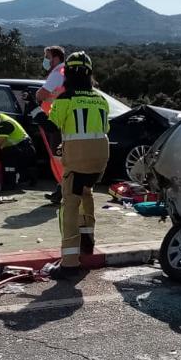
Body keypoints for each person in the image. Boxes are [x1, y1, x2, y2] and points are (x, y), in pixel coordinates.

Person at [47, 51, 111, 276]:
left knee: (70, 204)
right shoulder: (101, 99)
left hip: (77, 160)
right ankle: (88, 242)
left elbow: (53, 127)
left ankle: (70, 261)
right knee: (87, 193)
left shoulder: (65, 99)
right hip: (101, 160)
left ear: (68, 74)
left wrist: (56, 151)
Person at [34, 45, 66, 204]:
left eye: (47, 57)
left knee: (58, 157)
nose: (45, 60)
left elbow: (41, 94)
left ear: (56, 58)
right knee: (62, 158)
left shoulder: (57, 73)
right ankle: (61, 189)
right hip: (62, 120)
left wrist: (38, 96)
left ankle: (62, 189)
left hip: (55, 120)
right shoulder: (67, 72)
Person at [0, 103, 37, 185]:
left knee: (7, 151)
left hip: (25, 148)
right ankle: (9, 178)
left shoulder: (5, 123)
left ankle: (12, 180)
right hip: (16, 149)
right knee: (3, 152)